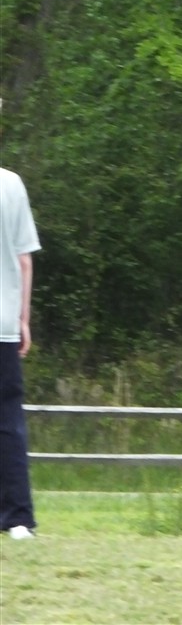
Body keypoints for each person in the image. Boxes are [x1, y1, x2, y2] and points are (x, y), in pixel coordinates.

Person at [0, 152, 41, 540]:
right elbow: (23, 260)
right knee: (8, 421)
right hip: (3, 325)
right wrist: (22, 318)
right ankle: (18, 518)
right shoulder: (11, 184)